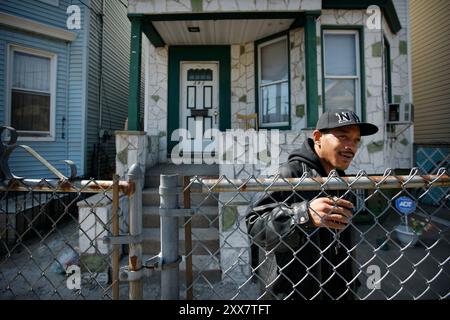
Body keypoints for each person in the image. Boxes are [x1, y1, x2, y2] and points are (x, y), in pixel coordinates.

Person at [246, 109, 378, 300]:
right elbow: (254, 225)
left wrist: (351, 284)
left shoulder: (341, 180)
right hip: (294, 293)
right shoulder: (289, 173)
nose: (351, 146)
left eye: (356, 140)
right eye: (343, 137)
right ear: (317, 137)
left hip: (337, 290)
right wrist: (303, 215)